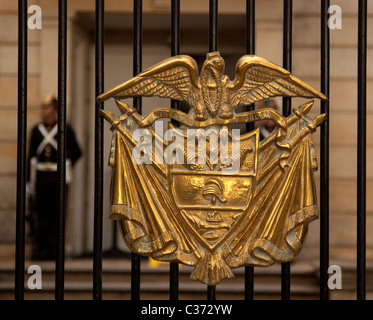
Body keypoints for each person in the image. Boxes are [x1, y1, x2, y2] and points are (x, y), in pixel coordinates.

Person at [27, 94, 82, 260]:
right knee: (41, 215)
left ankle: (55, 250)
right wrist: (28, 181)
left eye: (48, 108)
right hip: (41, 178)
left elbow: (77, 152)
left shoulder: (65, 129)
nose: (45, 111)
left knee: (57, 214)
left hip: (58, 178)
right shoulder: (36, 130)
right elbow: (30, 156)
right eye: (43, 108)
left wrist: (66, 164)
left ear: (55, 110)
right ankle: (41, 249)